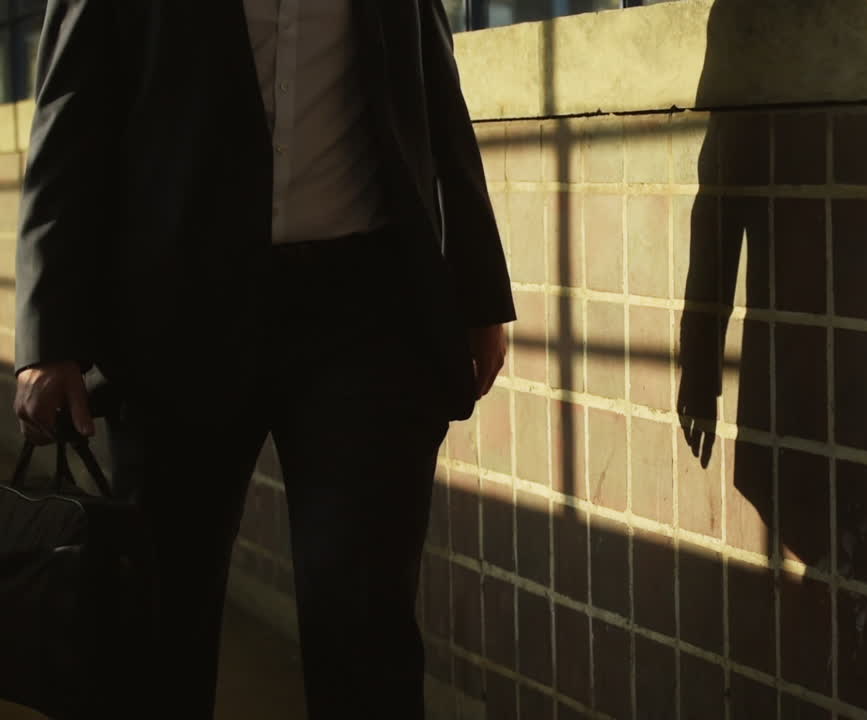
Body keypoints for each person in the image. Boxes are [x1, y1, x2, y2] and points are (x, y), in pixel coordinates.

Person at [11, 1, 514, 717]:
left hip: (362, 318)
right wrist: (48, 341)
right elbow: (69, 122)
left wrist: (479, 295)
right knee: (162, 617)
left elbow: (435, 95)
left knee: (364, 617)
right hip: (179, 324)